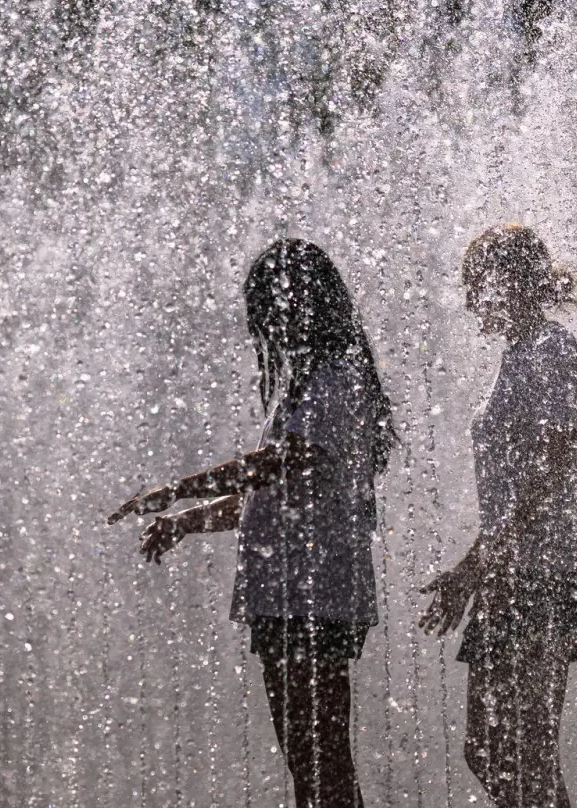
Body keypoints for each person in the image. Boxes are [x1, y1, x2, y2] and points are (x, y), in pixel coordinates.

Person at [106, 238, 398, 808]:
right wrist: (187, 520)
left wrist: (174, 489)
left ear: (300, 307)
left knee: (323, 767)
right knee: (309, 766)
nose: (265, 328)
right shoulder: (314, 382)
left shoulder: (337, 379)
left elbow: (276, 464)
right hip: (291, 596)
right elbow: (274, 497)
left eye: (270, 310)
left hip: (313, 598)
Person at [419, 224, 577, 808]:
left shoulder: (551, 347)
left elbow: (554, 469)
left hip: (546, 575)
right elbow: (518, 488)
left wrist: (472, 567)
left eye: (479, 285)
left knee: (520, 752)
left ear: (511, 281)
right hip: (514, 571)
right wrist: (484, 566)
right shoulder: (518, 353)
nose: (471, 302)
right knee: (497, 750)